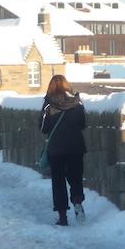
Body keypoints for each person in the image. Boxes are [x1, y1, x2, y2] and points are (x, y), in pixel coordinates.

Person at [40, 74, 86, 226]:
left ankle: (63, 217)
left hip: (57, 148)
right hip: (76, 147)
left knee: (58, 182)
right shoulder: (76, 103)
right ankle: (78, 203)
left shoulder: (49, 104)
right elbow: (83, 124)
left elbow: (43, 128)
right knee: (75, 178)